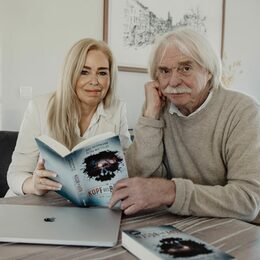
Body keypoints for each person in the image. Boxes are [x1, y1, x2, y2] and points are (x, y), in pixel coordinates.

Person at [109, 27, 260, 224]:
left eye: (185, 68)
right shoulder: (159, 107)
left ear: (208, 71)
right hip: (181, 223)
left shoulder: (243, 110)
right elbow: (141, 179)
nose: (173, 81)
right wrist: (150, 117)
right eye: (164, 71)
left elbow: (248, 200)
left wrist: (171, 191)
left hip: (239, 229)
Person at [6, 38, 131, 197]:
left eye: (102, 73)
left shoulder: (118, 110)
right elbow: (15, 174)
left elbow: (128, 167)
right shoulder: (39, 107)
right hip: (35, 204)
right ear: (70, 74)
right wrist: (34, 185)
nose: (94, 81)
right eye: (84, 72)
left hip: (89, 207)